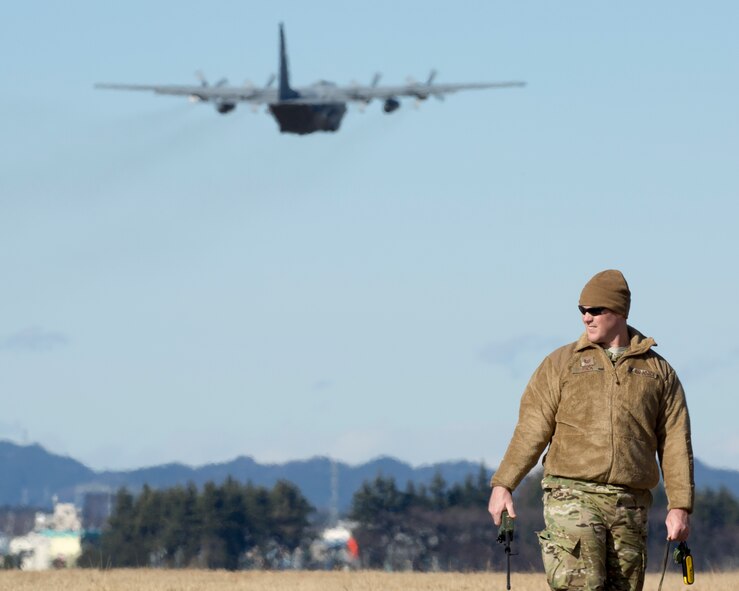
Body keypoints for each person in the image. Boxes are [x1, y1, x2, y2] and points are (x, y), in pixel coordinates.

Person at [488, 269, 693, 591]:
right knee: (582, 585)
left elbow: (676, 443)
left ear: (620, 312)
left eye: (596, 310)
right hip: (571, 494)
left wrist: (680, 506)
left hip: (631, 503)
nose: (587, 317)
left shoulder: (658, 372)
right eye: (582, 310)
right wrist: (503, 484)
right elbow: (531, 428)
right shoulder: (560, 363)